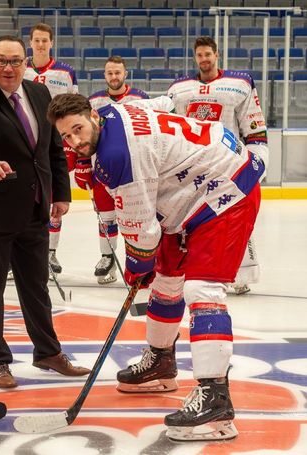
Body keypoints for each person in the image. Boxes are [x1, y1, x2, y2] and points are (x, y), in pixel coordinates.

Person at [47, 93, 263, 441]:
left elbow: (143, 233)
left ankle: (216, 401)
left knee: (201, 289)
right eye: (67, 137)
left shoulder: (117, 156)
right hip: (194, 190)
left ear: (92, 115)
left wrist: (135, 268)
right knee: (166, 280)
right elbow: (162, 105)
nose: (75, 141)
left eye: (78, 130)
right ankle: (161, 362)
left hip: (227, 190)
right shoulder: (113, 111)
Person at [0, 35, 90, 390]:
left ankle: (48, 352)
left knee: (36, 287)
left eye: (15, 61)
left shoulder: (41, 95)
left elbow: (53, 150)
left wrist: (60, 193)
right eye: (1, 61)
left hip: (34, 209)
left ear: (26, 63)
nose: (8, 68)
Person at [167, 36, 268, 295]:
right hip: (194, 164)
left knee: (235, 216)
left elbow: (253, 126)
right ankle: (199, 269)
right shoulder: (180, 88)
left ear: (216, 55)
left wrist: (258, 162)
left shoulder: (239, 83)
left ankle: (242, 273)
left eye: (208, 55)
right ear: (195, 57)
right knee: (198, 218)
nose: (204, 59)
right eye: (199, 55)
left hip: (229, 162)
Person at [85, 56, 150, 285]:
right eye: (110, 73)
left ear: (125, 74)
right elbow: (85, 135)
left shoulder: (140, 99)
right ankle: (107, 258)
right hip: (102, 168)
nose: (114, 77)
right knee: (106, 216)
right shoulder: (93, 101)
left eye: (118, 73)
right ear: (105, 75)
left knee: (137, 218)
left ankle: (141, 262)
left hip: (135, 170)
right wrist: (83, 165)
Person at [23, 22, 78, 276]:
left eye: (45, 40)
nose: (41, 44)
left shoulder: (65, 73)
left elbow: (74, 108)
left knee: (54, 197)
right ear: (30, 42)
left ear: (51, 43)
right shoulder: (20, 69)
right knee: (26, 196)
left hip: (55, 145)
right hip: (25, 143)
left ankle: (50, 252)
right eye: (37, 40)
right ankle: (22, 253)